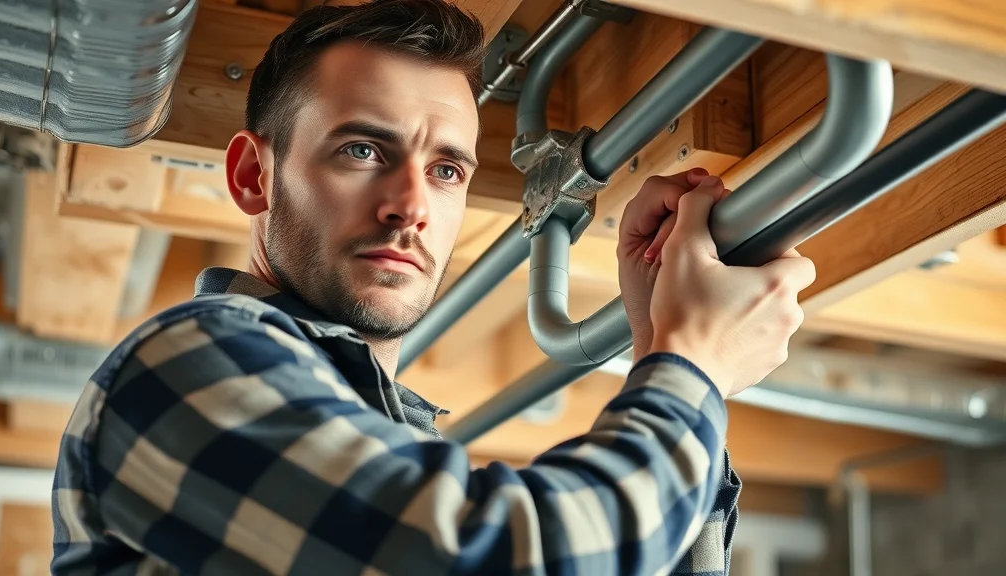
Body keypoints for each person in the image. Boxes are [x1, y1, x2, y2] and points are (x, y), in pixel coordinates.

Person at [50, 0, 814, 574]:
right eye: (360, 149)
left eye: (446, 169)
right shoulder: (185, 365)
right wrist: (693, 368)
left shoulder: (400, 445)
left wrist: (658, 346)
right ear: (256, 175)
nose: (412, 206)